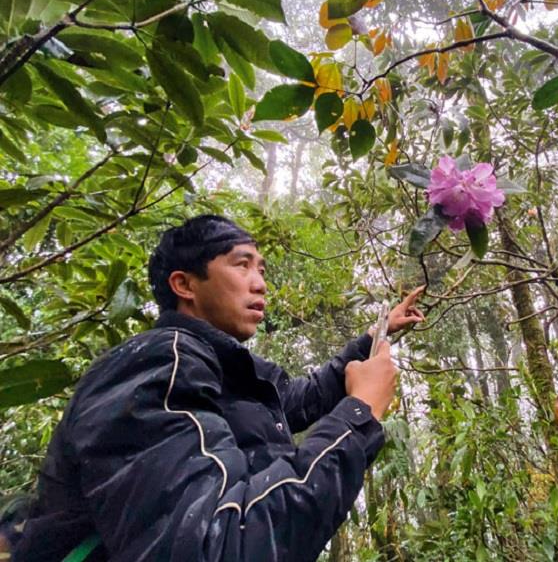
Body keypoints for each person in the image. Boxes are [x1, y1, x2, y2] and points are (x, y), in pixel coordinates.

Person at [14, 215, 425, 561]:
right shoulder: (154, 365)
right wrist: (360, 411)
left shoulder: (226, 367)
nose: (260, 283)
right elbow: (218, 544)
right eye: (241, 265)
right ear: (185, 285)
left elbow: (300, 400)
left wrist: (378, 333)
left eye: (261, 269)